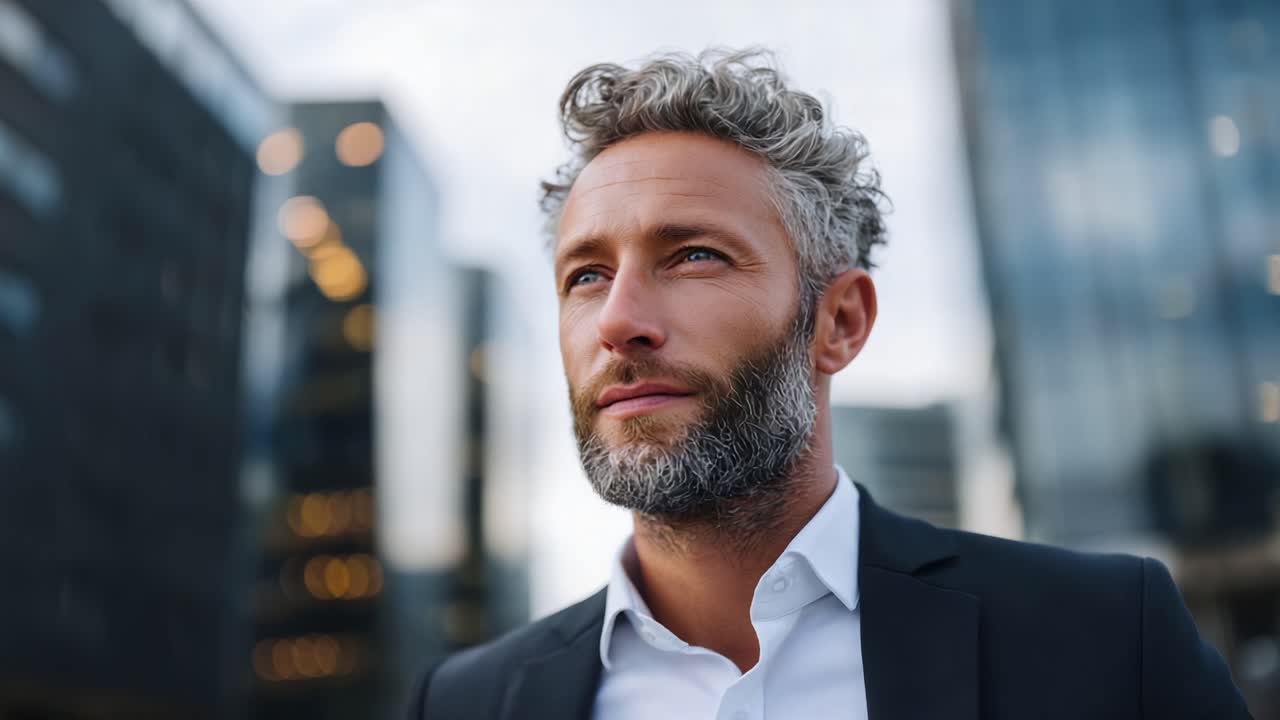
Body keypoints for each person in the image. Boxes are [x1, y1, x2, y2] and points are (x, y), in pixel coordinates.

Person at [404, 48, 1251, 720]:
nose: (618, 320)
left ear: (838, 322)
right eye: (584, 276)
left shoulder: (1106, 639)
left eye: (693, 255)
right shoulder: (467, 703)